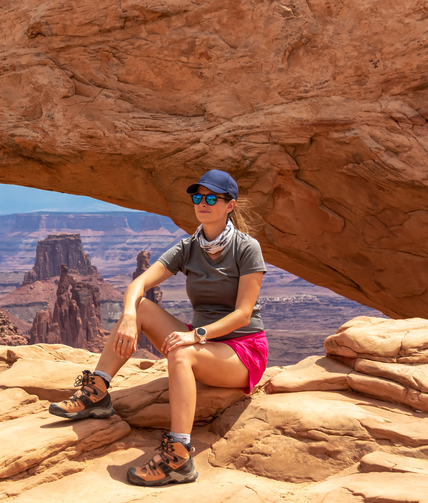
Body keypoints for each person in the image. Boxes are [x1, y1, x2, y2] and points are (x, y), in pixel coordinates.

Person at [48, 169, 268, 487]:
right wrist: (127, 315)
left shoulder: (247, 248)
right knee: (141, 307)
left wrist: (195, 335)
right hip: (204, 343)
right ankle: (97, 391)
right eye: (197, 197)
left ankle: (178, 457)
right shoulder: (189, 247)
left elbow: (243, 315)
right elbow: (140, 282)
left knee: (181, 354)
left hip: (242, 351)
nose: (202, 203)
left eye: (211, 198)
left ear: (229, 205)